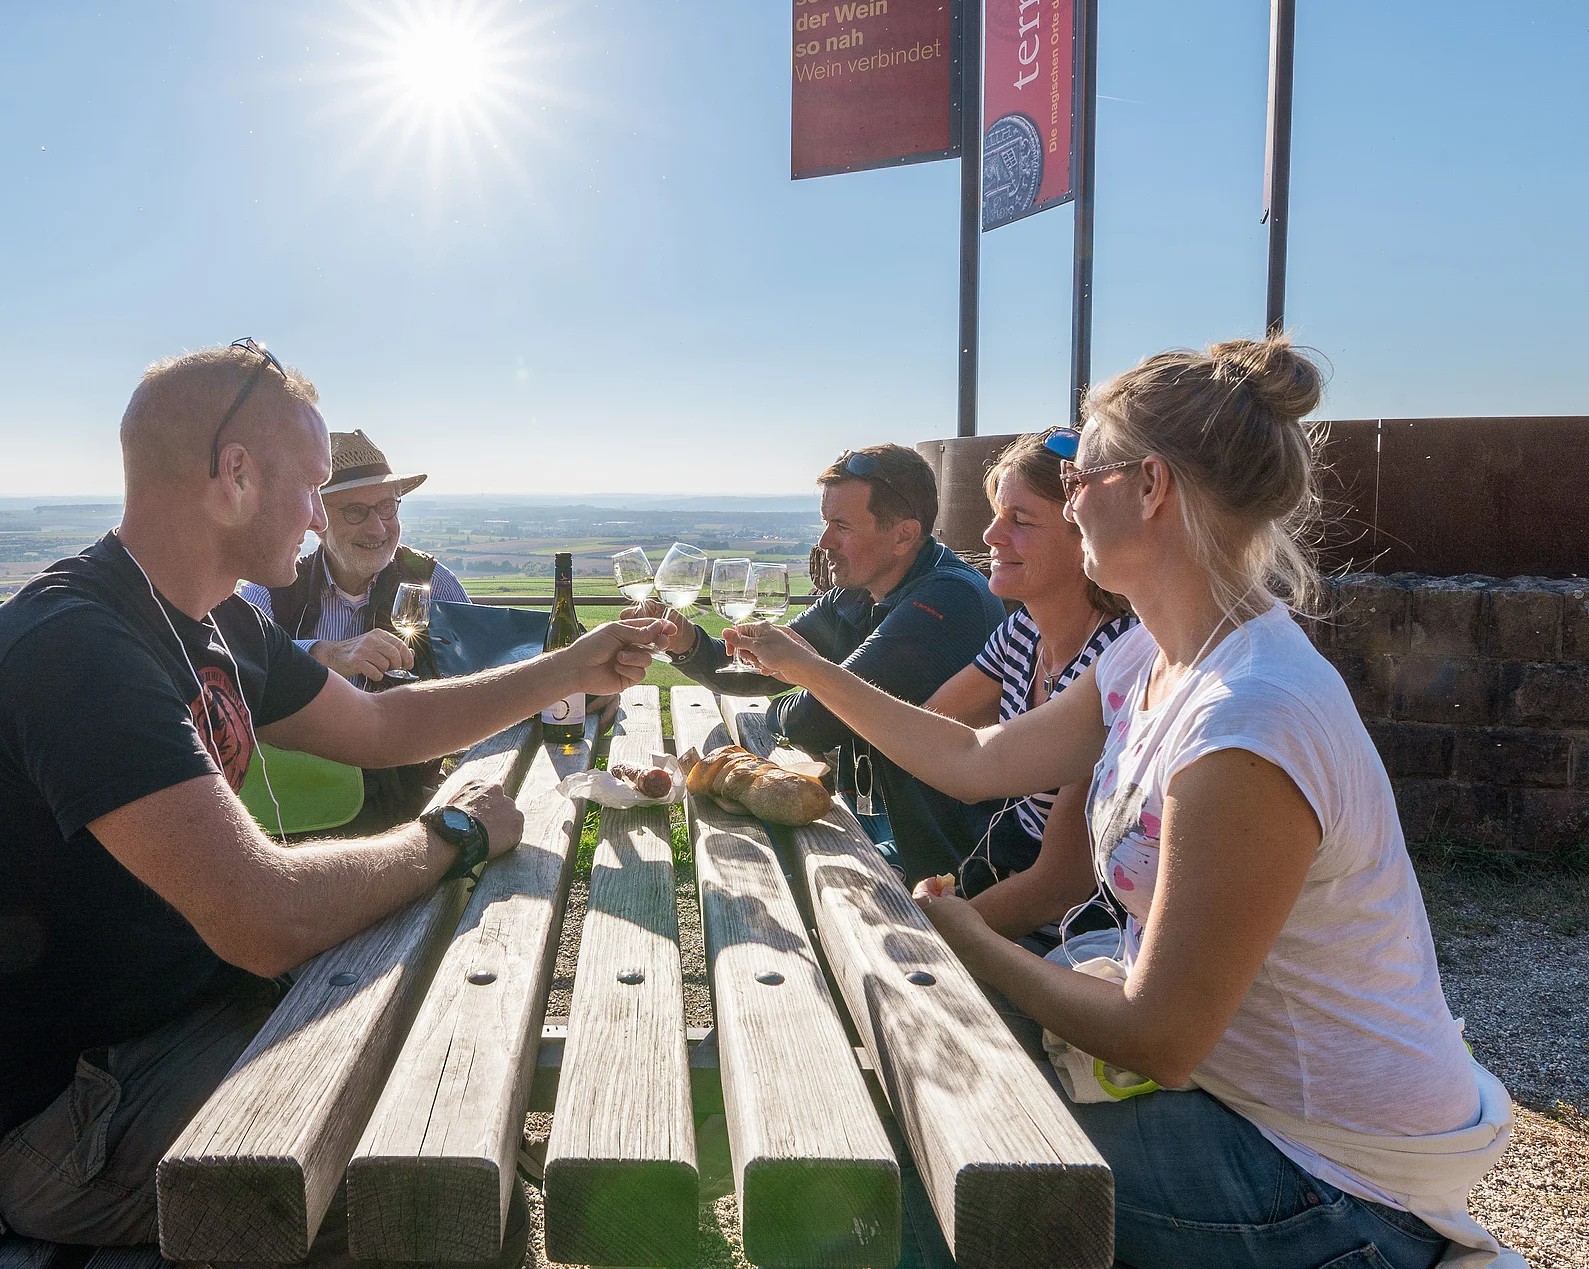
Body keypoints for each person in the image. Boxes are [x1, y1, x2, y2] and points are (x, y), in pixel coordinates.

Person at [0, 342, 667, 1263]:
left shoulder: (217, 618)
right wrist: (452, 832)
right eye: (316, 487)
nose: (321, 516)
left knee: (463, 1098)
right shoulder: (74, 645)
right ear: (234, 475)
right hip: (60, 1116)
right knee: (436, 1192)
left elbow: (377, 727)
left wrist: (567, 668)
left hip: (175, 1026)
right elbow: (266, 916)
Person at [729, 338, 1518, 1269]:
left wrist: (972, 941)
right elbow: (974, 754)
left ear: (1149, 486)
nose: (1068, 502)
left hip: (1334, 1177)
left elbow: (1159, 1037)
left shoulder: (1250, 718)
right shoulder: (1149, 655)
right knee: (899, 1083)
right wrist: (807, 668)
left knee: (907, 1169)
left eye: (1080, 477)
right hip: (1242, 1103)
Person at [630, 443, 1007, 885]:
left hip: (944, 861)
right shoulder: (857, 591)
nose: (824, 541)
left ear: (904, 535)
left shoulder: (948, 600)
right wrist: (685, 640)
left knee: (751, 869)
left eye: (841, 526)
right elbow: (754, 667)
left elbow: (814, 721)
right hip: (880, 821)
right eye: (826, 523)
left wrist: (777, 709)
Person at [928, 430, 1136, 951]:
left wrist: (938, 933)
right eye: (998, 513)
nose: (991, 534)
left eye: (1020, 521)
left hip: (1087, 936)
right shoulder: (1021, 631)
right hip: (1013, 895)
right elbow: (932, 730)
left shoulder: (1118, 660)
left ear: (1084, 535)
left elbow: (1060, 884)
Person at [236, 428, 470, 828]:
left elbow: (482, 669)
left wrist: (573, 684)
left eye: (387, 508)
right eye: (356, 511)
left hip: (408, 802)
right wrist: (323, 655)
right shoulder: (271, 589)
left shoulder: (433, 581)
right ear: (319, 520)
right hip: (296, 812)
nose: (378, 528)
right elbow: (232, 671)